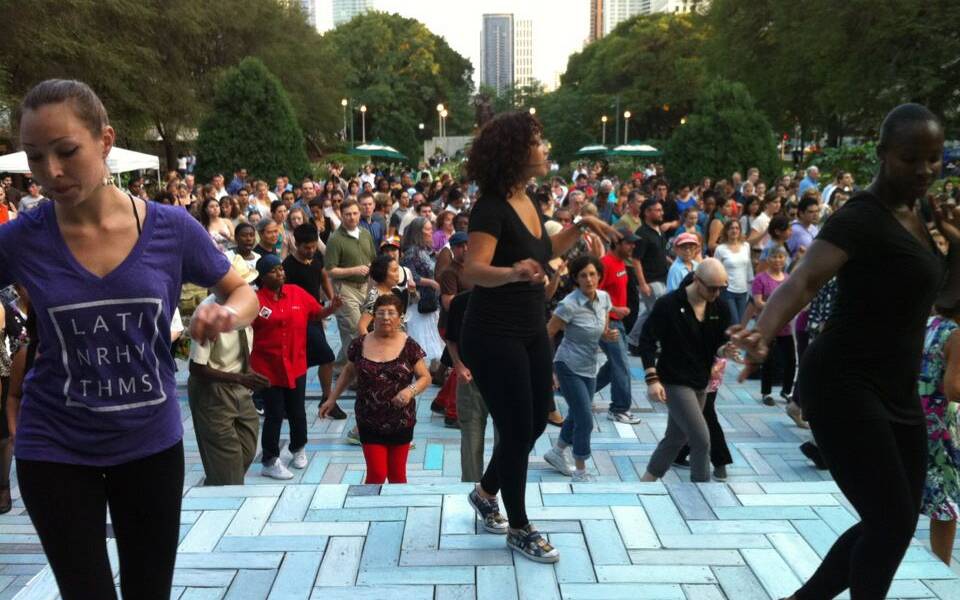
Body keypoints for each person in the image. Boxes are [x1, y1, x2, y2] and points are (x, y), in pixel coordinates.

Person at [1, 79, 259, 600]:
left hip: (150, 444)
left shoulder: (171, 228)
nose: (51, 172)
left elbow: (241, 291)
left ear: (105, 141)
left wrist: (226, 314)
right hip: (54, 447)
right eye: (35, 157)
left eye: (67, 151)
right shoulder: (20, 239)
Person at [730, 104, 957, 600]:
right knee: (890, 520)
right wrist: (764, 331)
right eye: (909, 157)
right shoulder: (859, 217)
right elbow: (804, 279)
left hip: (899, 388)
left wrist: (955, 243)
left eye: (934, 159)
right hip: (843, 384)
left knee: (892, 520)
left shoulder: (921, 214)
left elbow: (944, 296)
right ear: (882, 155)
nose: (924, 170)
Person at [461, 111, 616, 563]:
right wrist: (512, 272)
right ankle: (521, 527)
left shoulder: (526, 198)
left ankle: (487, 492)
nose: (545, 147)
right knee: (514, 428)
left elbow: (543, 249)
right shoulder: (490, 206)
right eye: (538, 140)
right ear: (516, 150)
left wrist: (582, 226)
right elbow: (472, 270)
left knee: (530, 425)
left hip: (529, 329)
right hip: (493, 335)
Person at [639, 259, 737, 483]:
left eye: (722, 288)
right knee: (701, 438)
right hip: (674, 379)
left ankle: (647, 480)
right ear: (697, 280)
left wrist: (725, 350)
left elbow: (719, 343)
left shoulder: (719, 307)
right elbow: (646, 340)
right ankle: (701, 490)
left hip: (700, 379)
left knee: (676, 437)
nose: (717, 293)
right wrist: (652, 379)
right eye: (712, 288)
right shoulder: (669, 305)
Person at [319, 295, 430, 484]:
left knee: (397, 476)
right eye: (381, 313)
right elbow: (348, 371)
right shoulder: (360, 343)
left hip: (400, 420)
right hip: (368, 418)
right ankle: (368, 509)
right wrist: (331, 398)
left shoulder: (410, 346)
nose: (386, 317)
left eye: (391, 313)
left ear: (400, 317)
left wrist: (409, 391)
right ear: (374, 316)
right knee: (377, 474)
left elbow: (425, 377)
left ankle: (395, 512)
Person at [251, 254, 341, 480]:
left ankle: (298, 448)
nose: (280, 273)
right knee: (274, 414)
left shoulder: (296, 293)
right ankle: (270, 460)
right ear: (262, 277)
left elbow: (316, 313)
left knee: (297, 411)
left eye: (281, 269)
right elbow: (245, 332)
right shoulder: (256, 301)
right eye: (274, 271)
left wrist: (331, 308)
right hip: (268, 367)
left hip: (295, 363)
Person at [187, 257, 268, 485]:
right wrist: (241, 378)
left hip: (239, 387)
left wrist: (248, 373)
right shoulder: (207, 315)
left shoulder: (245, 310)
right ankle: (223, 491)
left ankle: (219, 480)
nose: (250, 290)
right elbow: (196, 368)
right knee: (226, 459)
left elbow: (244, 345)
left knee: (247, 447)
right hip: (213, 391)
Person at [544, 255, 615, 482]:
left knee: (577, 412)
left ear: (599, 276)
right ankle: (581, 471)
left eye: (593, 274)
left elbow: (602, 329)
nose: (589, 279)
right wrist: (549, 371)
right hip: (567, 365)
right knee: (585, 419)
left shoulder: (604, 298)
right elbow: (548, 334)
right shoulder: (569, 305)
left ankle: (556, 452)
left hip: (590, 366)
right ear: (575, 279)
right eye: (583, 275)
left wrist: (608, 335)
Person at [282, 223, 344, 419]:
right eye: (306, 248)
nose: (310, 251)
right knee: (324, 356)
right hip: (298, 321)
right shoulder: (287, 267)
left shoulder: (316, 259)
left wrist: (331, 297)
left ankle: (326, 398)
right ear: (296, 245)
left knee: (322, 358)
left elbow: (323, 276)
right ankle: (292, 401)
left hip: (315, 316)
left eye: (313, 247)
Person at [918, 294, 960, 565]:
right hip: (942, 427)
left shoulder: (930, 324)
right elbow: (953, 387)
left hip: (917, 418)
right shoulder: (956, 334)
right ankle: (941, 568)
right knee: (945, 505)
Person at [324, 199, 377, 368]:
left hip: (365, 286)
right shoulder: (335, 239)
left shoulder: (365, 233)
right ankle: (354, 373)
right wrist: (354, 270)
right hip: (345, 287)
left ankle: (340, 365)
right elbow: (330, 270)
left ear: (359, 213)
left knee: (361, 328)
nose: (352, 217)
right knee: (354, 330)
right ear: (341, 215)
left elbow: (373, 258)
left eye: (354, 213)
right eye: (347, 214)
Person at [596, 230, 642, 424]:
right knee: (621, 364)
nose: (632, 247)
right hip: (608, 323)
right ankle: (619, 409)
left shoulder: (621, 263)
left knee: (614, 364)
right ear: (616, 243)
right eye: (629, 243)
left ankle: (578, 391)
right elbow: (594, 296)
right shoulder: (605, 264)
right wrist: (610, 317)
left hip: (618, 322)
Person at [751, 245, 796, 406]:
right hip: (767, 326)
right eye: (774, 257)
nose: (778, 260)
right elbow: (757, 302)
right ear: (768, 259)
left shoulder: (789, 278)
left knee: (790, 360)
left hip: (784, 327)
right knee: (768, 360)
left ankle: (786, 390)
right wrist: (777, 306)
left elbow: (793, 300)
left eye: (781, 257)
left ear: (785, 260)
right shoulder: (760, 279)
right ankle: (766, 392)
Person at [400, 217, 445, 365]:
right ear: (419, 232)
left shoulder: (426, 250)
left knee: (431, 335)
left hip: (430, 301)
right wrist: (431, 282)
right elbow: (410, 275)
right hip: (418, 302)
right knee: (421, 335)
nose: (431, 232)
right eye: (427, 229)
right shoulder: (412, 251)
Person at [626, 199, 670, 349]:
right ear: (647, 212)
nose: (661, 213)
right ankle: (655, 343)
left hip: (663, 278)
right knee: (659, 312)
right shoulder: (642, 234)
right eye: (657, 210)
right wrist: (643, 284)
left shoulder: (659, 232)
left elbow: (661, 254)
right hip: (651, 281)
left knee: (650, 312)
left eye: (661, 210)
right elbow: (636, 260)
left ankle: (633, 340)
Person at [714, 220, 753, 324]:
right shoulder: (720, 249)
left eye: (737, 228)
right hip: (727, 290)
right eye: (731, 228)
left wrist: (751, 284)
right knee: (734, 322)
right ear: (726, 231)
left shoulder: (746, 246)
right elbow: (716, 269)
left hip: (743, 290)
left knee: (742, 323)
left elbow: (749, 266)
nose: (734, 230)